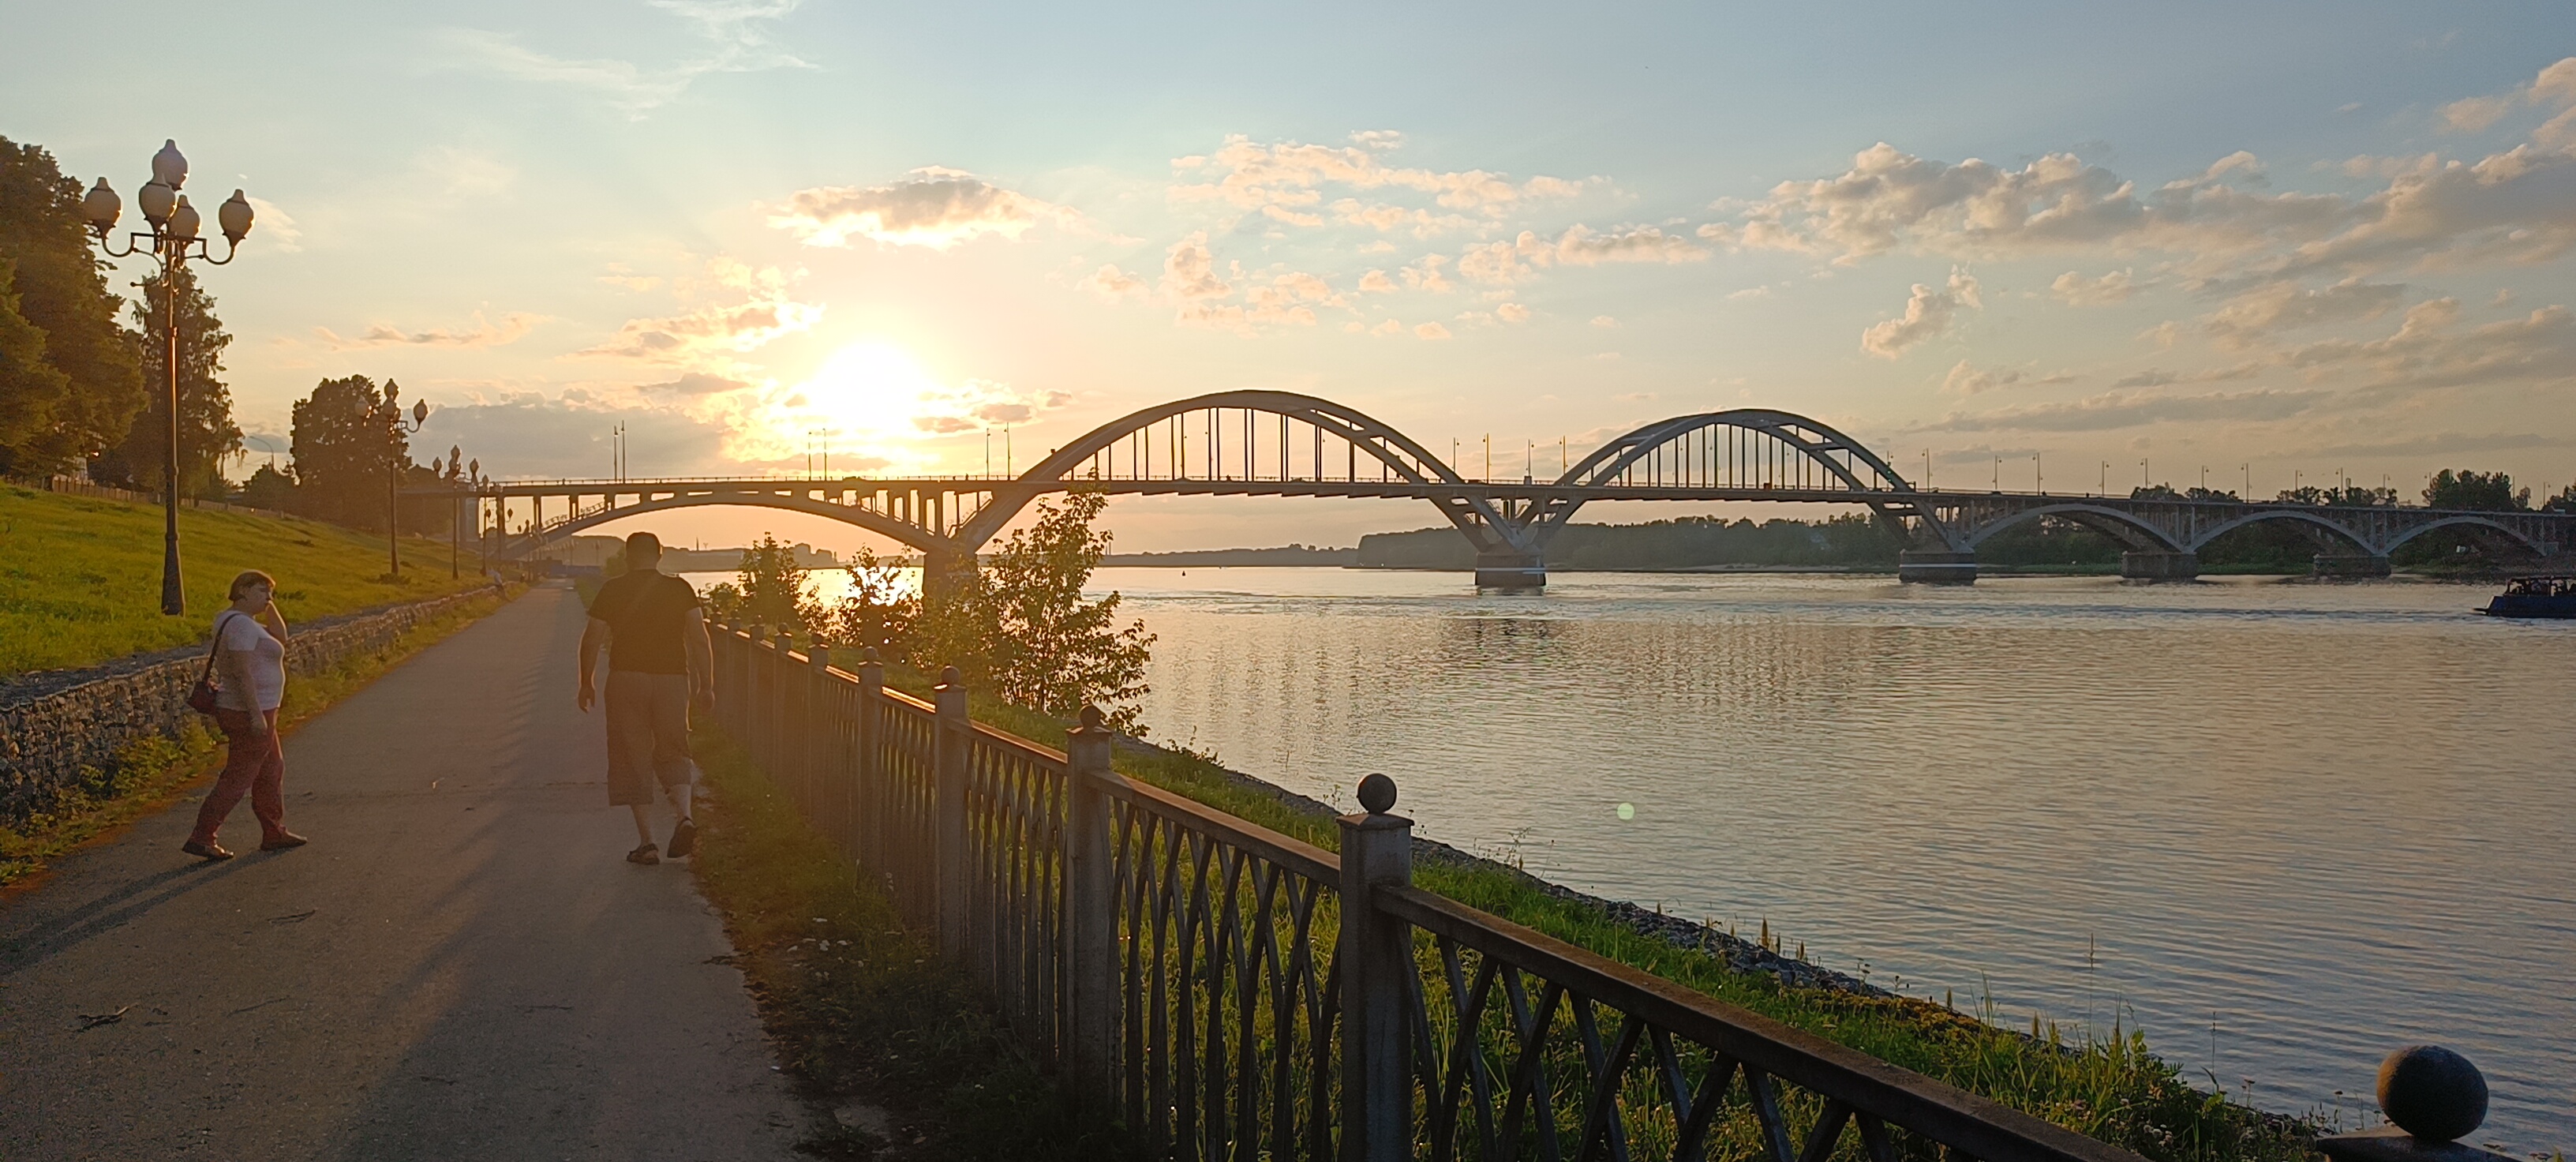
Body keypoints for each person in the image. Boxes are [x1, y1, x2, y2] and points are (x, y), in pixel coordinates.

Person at [577, 531, 713, 864]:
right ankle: (684, 816)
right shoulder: (680, 589)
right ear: (660, 555)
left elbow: (592, 638)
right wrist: (706, 684)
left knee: (630, 754)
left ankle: (648, 843)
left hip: (627, 680)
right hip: (672, 680)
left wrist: (586, 682)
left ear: (627, 556)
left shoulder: (613, 589)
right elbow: (699, 637)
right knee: (675, 748)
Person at [182, 570, 307, 860]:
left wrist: (267, 604)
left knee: (271, 770)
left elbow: (281, 636)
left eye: (270, 593)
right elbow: (240, 673)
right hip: (248, 710)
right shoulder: (241, 626)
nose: (268, 598)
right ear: (243, 590)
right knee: (238, 777)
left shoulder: (245, 622)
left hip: (262, 709)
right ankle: (202, 836)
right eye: (263, 592)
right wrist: (254, 715)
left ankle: (274, 832)